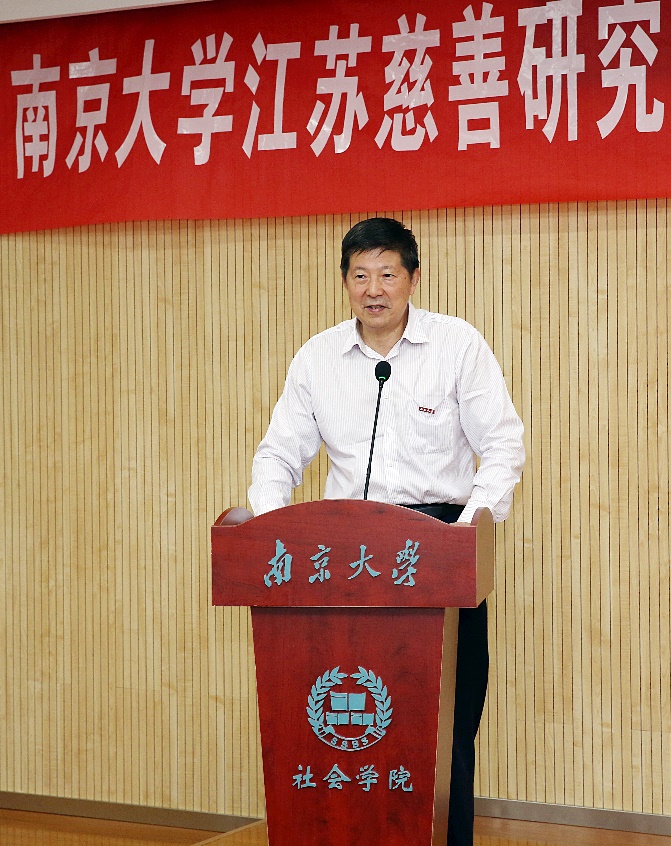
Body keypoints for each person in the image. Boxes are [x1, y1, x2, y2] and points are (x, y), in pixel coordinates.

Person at [248, 217, 525, 846]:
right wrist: (269, 529)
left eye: (388, 274)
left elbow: (503, 444)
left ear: (413, 278)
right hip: (343, 552)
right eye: (360, 276)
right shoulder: (318, 358)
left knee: (443, 723)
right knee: (342, 717)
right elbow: (280, 453)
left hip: (438, 545)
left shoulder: (456, 346)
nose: (374, 290)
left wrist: (464, 535)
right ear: (345, 281)